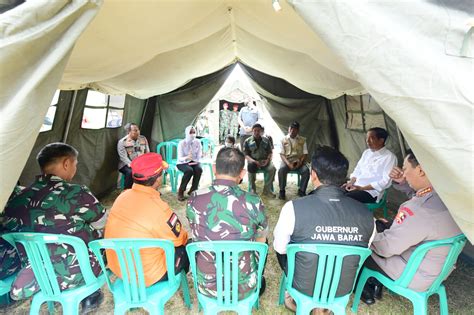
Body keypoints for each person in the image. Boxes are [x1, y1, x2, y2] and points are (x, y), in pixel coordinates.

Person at [2, 143, 106, 311]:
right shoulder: (76, 192)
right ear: (67, 163)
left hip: (36, 274)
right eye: (75, 164)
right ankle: (91, 294)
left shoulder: (17, 197)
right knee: (100, 234)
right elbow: (102, 223)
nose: (75, 168)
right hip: (79, 271)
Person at [273, 146, 375, 313]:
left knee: (284, 247)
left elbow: (280, 248)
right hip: (341, 288)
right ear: (344, 178)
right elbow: (366, 248)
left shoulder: (293, 208)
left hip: (303, 285)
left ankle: (293, 296)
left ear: (313, 174)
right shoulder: (367, 214)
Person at [359, 150, 463, 305]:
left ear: (420, 170)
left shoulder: (419, 210)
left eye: (405, 169)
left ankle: (366, 287)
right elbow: (422, 195)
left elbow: (386, 248)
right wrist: (403, 182)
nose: (404, 174)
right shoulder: (450, 197)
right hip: (437, 270)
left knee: (359, 245)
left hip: (413, 275)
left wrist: (368, 229)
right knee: (382, 225)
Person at [186, 147, 268, 299]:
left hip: (207, 286)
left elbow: (195, 228)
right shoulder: (254, 202)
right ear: (242, 173)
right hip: (244, 287)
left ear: (214, 168)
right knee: (262, 239)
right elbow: (261, 241)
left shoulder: (194, 198)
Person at [105, 153, 189, 286]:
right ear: (158, 179)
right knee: (186, 247)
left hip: (119, 269)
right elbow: (180, 240)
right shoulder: (159, 209)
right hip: (148, 275)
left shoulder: (122, 196)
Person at [343, 127, 397, 203]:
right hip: (355, 186)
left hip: (370, 192)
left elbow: (385, 182)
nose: (367, 141)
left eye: (371, 138)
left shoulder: (389, 157)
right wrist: (351, 183)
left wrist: (361, 188)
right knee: (335, 193)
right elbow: (357, 170)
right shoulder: (366, 153)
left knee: (345, 199)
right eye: (367, 138)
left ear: (381, 140)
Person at [278, 121, 310, 200]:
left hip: (299, 161)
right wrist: (288, 164)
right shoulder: (283, 140)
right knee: (281, 170)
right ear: (289, 129)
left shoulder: (302, 140)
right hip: (287, 161)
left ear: (298, 130)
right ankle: (282, 191)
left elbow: (305, 153)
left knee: (306, 171)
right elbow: (282, 154)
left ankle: (302, 190)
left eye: (295, 129)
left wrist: (300, 162)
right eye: (291, 128)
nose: (292, 130)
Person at [243, 123, 276, 197]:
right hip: (253, 162)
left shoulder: (266, 140)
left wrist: (267, 160)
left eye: (258, 131)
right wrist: (254, 161)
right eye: (255, 131)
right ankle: (252, 189)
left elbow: (270, 152)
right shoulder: (247, 141)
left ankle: (267, 190)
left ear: (261, 131)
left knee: (272, 168)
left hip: (264, 161)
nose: (257, 132)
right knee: (250, 167)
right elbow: (246, 155)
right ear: (252, 131)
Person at [117, 123, 150, 189]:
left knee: (151, 170)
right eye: (135, 130)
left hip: (141, 163)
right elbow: (123, 157)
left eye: (138, 130)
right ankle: (127, 191)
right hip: (126, 164)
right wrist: (133, 165)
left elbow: (147, 152)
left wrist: (145, 163)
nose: (138, 132)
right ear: (129, 131)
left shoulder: (143, 139)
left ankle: (148, 189)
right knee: (130, 172)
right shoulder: (122, 142)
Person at [177, 126, 203, 201]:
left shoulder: (197, 142)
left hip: (194, 161)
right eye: (190, 132)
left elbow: (199, 154)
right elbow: (180, 158)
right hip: (182, 162)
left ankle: (193, 189)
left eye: (194, 132)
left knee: (199, 169)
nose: (192, 134)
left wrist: (197, 159)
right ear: (187, 133)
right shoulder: (182, 143)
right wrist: (187, 157)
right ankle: (181, 191)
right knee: (189, 171)